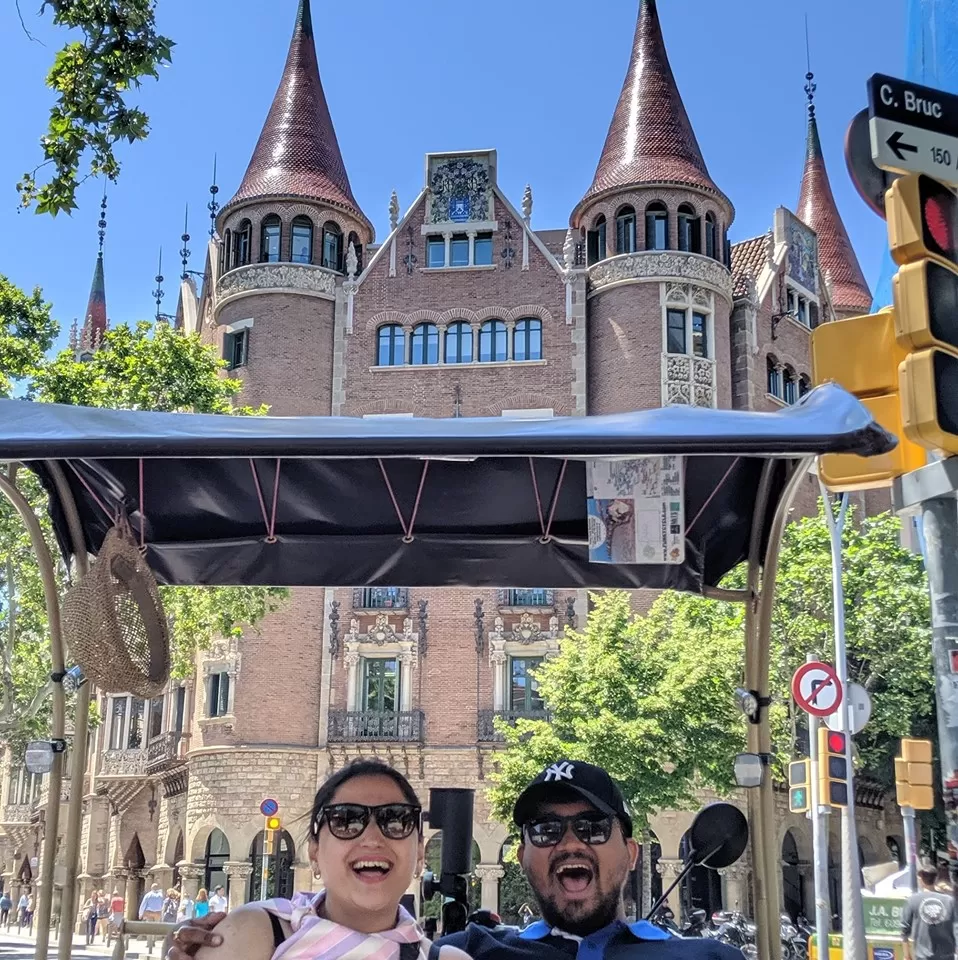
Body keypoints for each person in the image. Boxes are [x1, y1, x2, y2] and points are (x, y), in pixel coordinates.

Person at [170, 758, 745, 960]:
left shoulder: (706, 957)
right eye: (546, 829)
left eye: (593, 827)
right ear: (523, 858)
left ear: (634, 852)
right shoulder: (472, 952)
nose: (570, 843)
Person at [169, 759, 473, 960]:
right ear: (314, 851)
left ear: (419, 852)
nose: (371, 837)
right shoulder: (257, 933)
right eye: (345, 820)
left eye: (395, 820)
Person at [902, 860, 955, 960]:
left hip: (922, 955)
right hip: (946, 955)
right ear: (936, 879)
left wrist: (907, 955)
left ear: (921, 880)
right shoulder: (950, 901)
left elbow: (904, 930)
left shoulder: (912, 900)